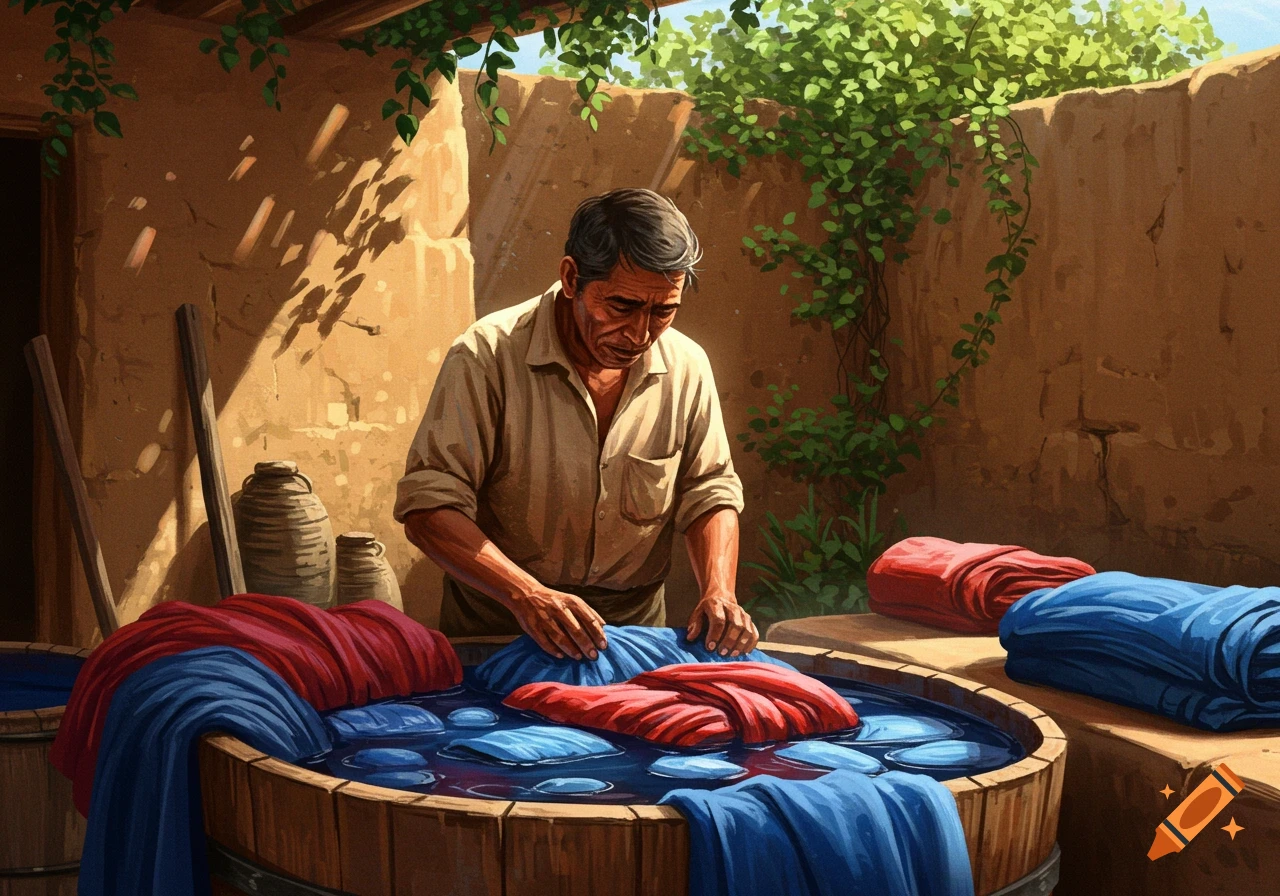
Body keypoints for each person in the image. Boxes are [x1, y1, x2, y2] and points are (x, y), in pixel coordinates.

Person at [395, 188, 757, 661]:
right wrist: (525, 594)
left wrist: (719, 591)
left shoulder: (687, 366)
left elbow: (709, 490)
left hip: (633, 637)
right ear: (571, 278)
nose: (640, 334)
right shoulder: (486, 356)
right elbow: (429, 507)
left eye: (663, 311)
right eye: (621, 306)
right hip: (499, 629)